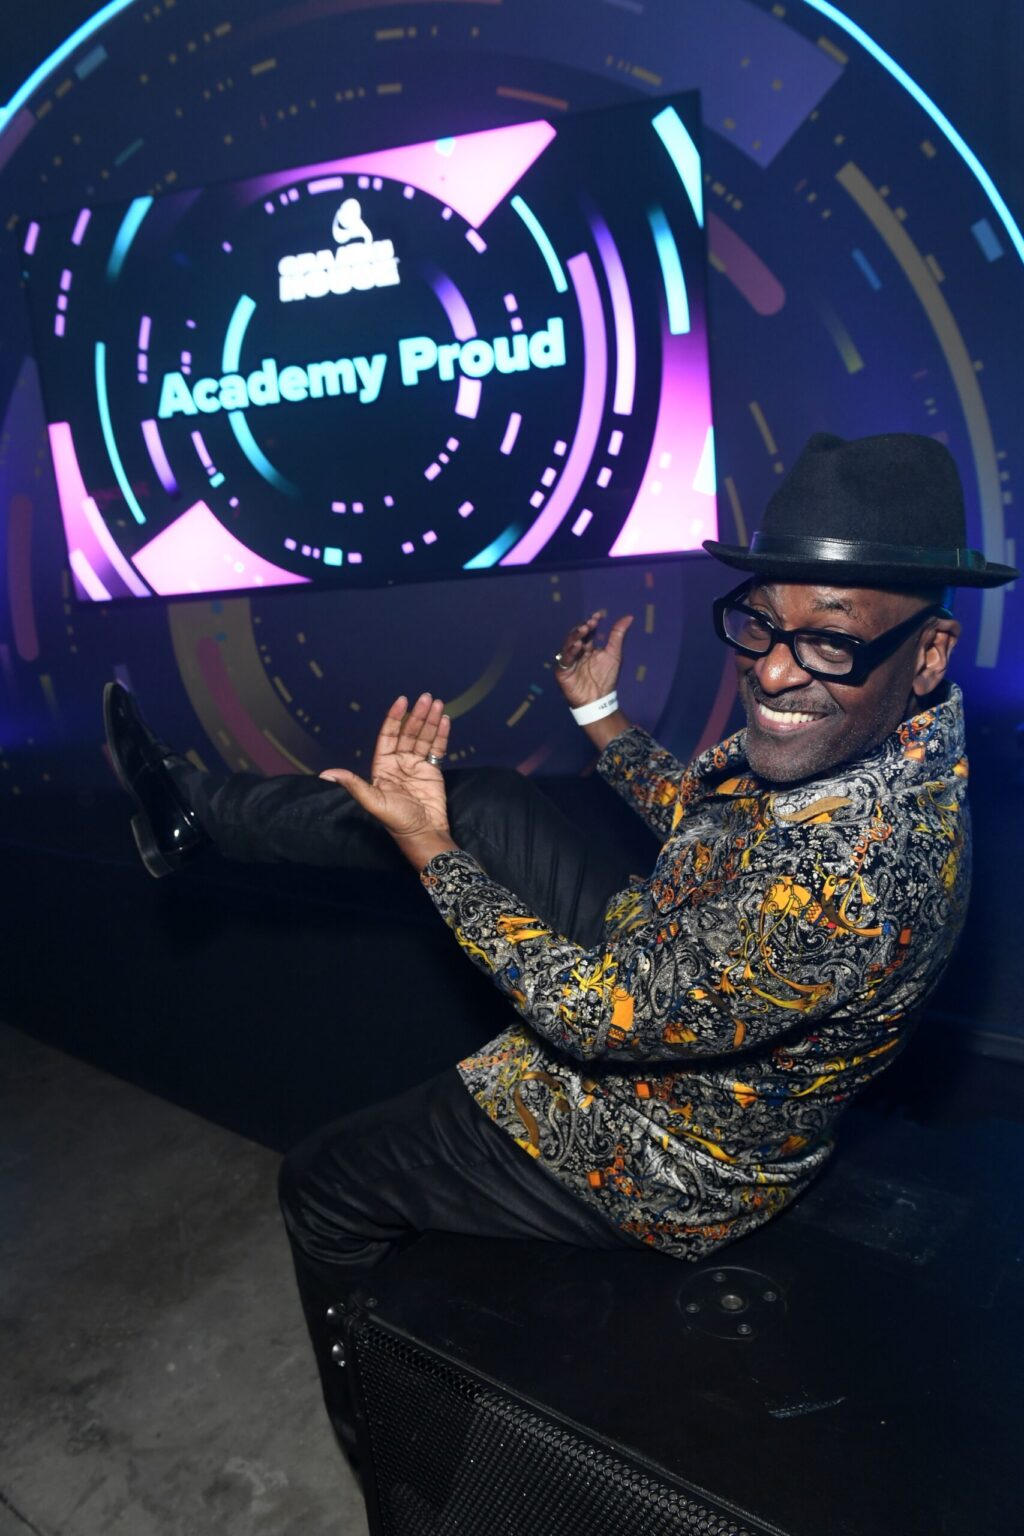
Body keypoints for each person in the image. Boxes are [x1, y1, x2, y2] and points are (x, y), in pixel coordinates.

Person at [104, 430, 1015, 1455]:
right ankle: (191, 815)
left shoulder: (856, 875)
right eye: (762, 624)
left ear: (928, 653)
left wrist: (430, 854)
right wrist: (603, 719)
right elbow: (715, 830)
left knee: (320, 1185)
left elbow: (594, 1016)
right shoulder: (878, 731)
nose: (771, 670)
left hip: (669, 1151)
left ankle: (388, 1452)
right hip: (662, 961)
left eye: (828, 640)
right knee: (484, 799)